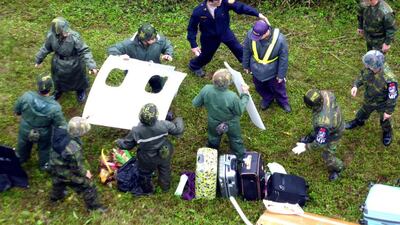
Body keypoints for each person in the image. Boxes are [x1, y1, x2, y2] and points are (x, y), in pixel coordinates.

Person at [187, 0, 269, 77]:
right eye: (218, 0)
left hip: (225, 32)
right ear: (210, 1)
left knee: (238, 48)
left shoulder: (225, 2)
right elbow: (191, 28)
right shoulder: (199, 11)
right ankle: (194, 66)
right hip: (209, 37)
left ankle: (249, 65)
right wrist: (193, 45)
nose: (220, 1)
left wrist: (258, 14)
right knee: (206, 55)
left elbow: (241, 7)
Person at [116, 103, 184, 194]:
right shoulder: (164, 125)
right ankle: (165, 188)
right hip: (164, 153)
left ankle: (147, 189)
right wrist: (178, 119)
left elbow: (127, 145)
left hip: (147, 158)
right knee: (164, 169)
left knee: (144, 173)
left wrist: (118, 142)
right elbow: (178, 130)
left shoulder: (136, 131)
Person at [49, 117, 107, 212]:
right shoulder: (73, 148)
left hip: (54, 164)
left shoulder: (60, 129)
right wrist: (85, 173)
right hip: (65, 171)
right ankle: (94, 208)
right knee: (88, 186)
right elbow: (76, 167)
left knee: (58, 180)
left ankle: (56, 196)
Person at [35, 17, 98, 103]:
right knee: (58, 79)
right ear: (57, 32)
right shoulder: (51, 37)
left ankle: (80, 90)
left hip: (75, 64)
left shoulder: (74, 37)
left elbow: (84, 50)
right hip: (58, 64)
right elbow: (46, 48)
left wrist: (91, 66)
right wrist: (38, 59)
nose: (67, 32)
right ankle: (59, 91)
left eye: (66, 29)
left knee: (78, 79)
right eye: (63, 31)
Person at [192, 69, 249, 162]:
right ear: (228, 83)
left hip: (213, 121)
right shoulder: (232, 96)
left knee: (213, 138)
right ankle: (240, 157)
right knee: (235, 139)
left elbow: (195, 103)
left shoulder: (206, 89)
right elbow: (239, 111)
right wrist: (245, 95)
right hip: (231, 123)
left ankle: (211, 154)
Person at [345, 50, 397, 146]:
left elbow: (393, 96)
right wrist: (356, 85)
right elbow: (362, 75)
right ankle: (359, 121)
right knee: (363, 111)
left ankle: (387, 132)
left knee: (385, 120)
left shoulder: (389, 78)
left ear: (375, 67)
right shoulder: (369, 68)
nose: (366, 67)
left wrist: (388, 111)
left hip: (383, 103)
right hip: (369, 99)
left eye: (368, 66)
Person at [14, 74, 66, 171]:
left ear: (38, 86)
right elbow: (61, 125)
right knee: (44, 148)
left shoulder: (26, 96)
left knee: (23, 144)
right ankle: (44, 165)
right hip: (44, 133)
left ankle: (21, 158)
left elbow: (17, 110)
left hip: (25, 128)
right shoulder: (55, 108)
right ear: (50, 88)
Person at [292, 89, 345, 181]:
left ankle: (338, 168)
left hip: (334, 132)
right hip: (333, 120)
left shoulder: (323, 123)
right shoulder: (326, 93)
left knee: (327, 156)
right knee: (317, 131)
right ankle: (312, 136)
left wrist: (306, 147)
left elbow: (320, 143)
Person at [108, 23, 173, 93]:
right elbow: (112, 49)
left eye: (154, 38)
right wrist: (119, 56)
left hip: (154, 69)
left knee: (158, 87)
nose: (153, 41)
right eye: (150, 40)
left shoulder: (159, 40)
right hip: (135, 71)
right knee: (133, 91)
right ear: (142, 39)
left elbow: (167, 46)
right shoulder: (129, 44)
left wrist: (168, 54)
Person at [243, 20, 290, 112]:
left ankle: (283, 101)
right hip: (256, 69)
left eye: (259, 36)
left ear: (267, 32)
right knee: (259, 86)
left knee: (278, 88)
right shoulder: (250, 35)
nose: (256, 38)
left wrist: (281, 75)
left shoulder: (280, 40)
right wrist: (246, 65)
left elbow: (283, 58)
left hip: (273, 71)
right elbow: (246, 50)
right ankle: (267, 98)